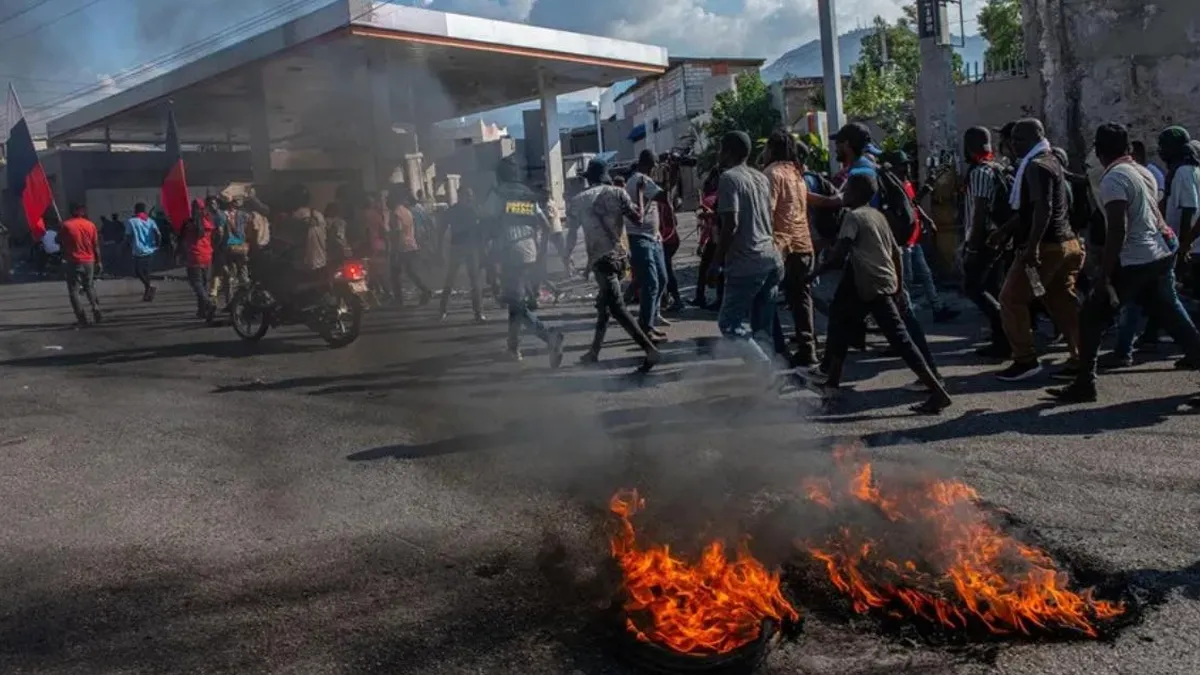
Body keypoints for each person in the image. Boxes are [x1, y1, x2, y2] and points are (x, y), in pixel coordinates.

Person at [1049, 123, 1200, 402]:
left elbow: (1117, 228)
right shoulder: (1142, 171)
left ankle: (1085, 383)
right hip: (1159, 254)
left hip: (1135, 259)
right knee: (1174, 319)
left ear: (1099, 150)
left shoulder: (1113, 178)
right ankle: (1086, 380)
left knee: (1091, 317)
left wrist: (1105, 275)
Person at [808, 174, 952, 414]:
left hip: (870, 284)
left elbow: (839, 255)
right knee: (840, 324)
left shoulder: (853, 217)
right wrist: (898, 285)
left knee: (901, 340)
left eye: (848, 191)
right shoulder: (878, 216)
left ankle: (938, 392)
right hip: (875, 281)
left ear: (856, 194)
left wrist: (812, 275)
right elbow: (895, 252)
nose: (843, 194)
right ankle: (831, 383)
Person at [989, 118, 1084, 381]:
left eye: (1019, 139)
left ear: (1035, 138)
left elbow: (1043, 210)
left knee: (1011, 299)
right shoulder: (1052, 161)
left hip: (1046, 246)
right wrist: (1004, 230)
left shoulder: (1035, 166)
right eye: (1013, 139)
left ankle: (1025, 359)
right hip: (1067, 244)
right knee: (1060, 301)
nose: (1013, 144)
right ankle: (1081, 358)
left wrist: (1032, 248)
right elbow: (1030, 210)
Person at [566, 158, 661, 370]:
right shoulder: (619, 193)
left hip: (602, 260)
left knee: (616, 307)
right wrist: (641, 196)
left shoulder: (578, 200)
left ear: (589, 179)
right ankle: (594, 352)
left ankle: (650, 350)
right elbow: (639, 218)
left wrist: (566, 256)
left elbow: (571, 234)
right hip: (621, 259)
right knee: (605, 305)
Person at [480, 158, 566, 366]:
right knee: (514, 300)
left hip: (509, 253)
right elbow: (545, 225)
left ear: (500, 175)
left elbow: (485, 225)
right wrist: (541, 249)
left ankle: (548, 336)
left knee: (516, 303)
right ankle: (513, 347)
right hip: (529, 251)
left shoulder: (498, 194)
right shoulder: (527, 195)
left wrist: (487, 257)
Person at [712, 130, 785, 370]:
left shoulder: (729, 179)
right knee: (761, 329)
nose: (719, 154)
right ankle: (769, 382)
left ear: (729, 151)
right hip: (771, 259)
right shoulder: (760, 177)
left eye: (722, 149)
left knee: (729, 324)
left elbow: (730, 224)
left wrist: (716, 262)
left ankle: (766, 371)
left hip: (747, 262)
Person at [763, 128, 818, 366]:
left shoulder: (772, 174)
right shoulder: (797, 175)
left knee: (766, 296)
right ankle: (808, 349)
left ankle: (776, 350)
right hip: (804, 244)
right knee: (801, 298)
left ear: (772, 149)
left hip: (782, 246)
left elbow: (768, 210)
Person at [883, 150, 958, 322]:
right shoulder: (893, 188)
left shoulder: (906, 184)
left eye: (906, 165)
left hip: (913, 238)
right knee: (906, 279)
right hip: (903, 240)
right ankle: (907, 316)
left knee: (925, 275)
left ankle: (936, 308)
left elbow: (913, 204)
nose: (906, 168)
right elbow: (908, 206)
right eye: (902, 165)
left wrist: (925, 218)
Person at [960, 126, 1012, 359]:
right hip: (998, 239)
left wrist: (971, 246)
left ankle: (1004, 329)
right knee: (993, 288)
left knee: (974, 288)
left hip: (983, 240)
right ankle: (1001, 339)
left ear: (968, 147)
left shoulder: (980, 172)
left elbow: (979, 212)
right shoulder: (998, 167)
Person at [625, 149, 671, 338]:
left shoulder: (643, 180)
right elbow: (665, 198)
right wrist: (669, 176)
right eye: (653, 167)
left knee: (661, 279)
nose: (654, 171)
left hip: (653, 237)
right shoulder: (640, 179)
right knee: (651, 282)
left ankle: (649, 321)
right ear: (648, 165)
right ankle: (645, 326)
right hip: (639, 237)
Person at [439, 187, 486, 322]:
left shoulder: (472, 210)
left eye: (471, 195)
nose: (470, 198)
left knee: (474, 281)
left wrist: (482, 249)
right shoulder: (460, 210)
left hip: (469, 248)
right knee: (452, 279)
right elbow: (441, 230)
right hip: (459, 247)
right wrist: (439, 249)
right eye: (468, 195)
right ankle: (443, 310)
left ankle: (478, 312)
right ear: (461, 196)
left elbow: (481, 231)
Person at [58, 204, 103, 326]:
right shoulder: (91, 225)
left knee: (74, 291)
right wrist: (99, 261)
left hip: (73, 261)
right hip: (89, 261)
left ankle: (82, 318)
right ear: (83, 212)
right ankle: (95, 307)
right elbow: (96, 245)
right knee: (89, 286)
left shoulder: (66, 225)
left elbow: (59, 241)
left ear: (72, 212)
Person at [389, 189, 433, 306]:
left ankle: (398, 300)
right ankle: (425, 290)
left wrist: (394, 247)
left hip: (401, 246)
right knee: (410, 271)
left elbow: (398, 230)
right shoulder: (407, 212)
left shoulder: (396, 213)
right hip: (411, 244)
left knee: (395, 273)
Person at [181, 198, 216, 319]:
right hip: (207, 255)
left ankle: (208, 303)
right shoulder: (209, 221)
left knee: (196, 283)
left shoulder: (189, 224)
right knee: (204, 284)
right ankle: (202, 310)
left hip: (194, 256)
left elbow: (182, 238)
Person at [125, 202, 161, 301]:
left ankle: (149, 286)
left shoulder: (131, 221)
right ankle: (147, 294)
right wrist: (157, 245)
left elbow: (128, 236)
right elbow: (158, 234)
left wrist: (126, 247)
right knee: (146, 273)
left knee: (138, 272)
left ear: (135, 210)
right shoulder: (150, 221)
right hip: (150, 251)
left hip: (138, 251)